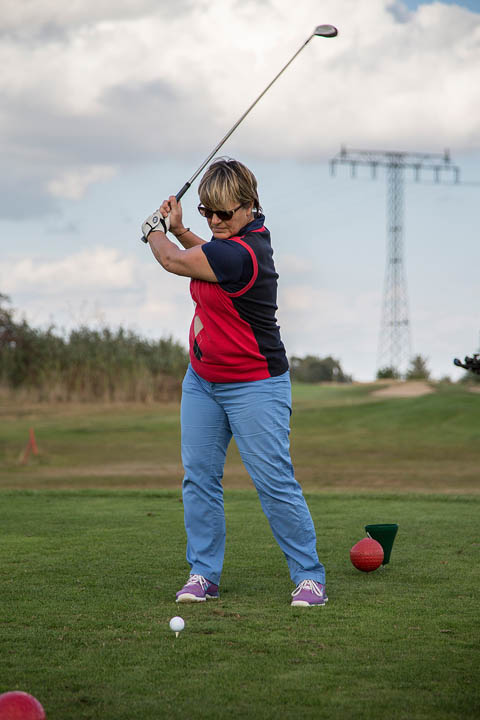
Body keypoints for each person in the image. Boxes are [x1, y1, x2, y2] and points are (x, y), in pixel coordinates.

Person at [141, 158, 327, 607]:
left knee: (274, 482)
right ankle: (204, 574)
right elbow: (204, 253)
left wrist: (153, 231)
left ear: (249, 207)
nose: (215, 221)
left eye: (224, 213)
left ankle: (309, 578)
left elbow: (173, 260)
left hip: (255, 384)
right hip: (203, 380)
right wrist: (180, 228)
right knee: (199, 479)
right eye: (206, 211)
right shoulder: (226, 246)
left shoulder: (246, 252)